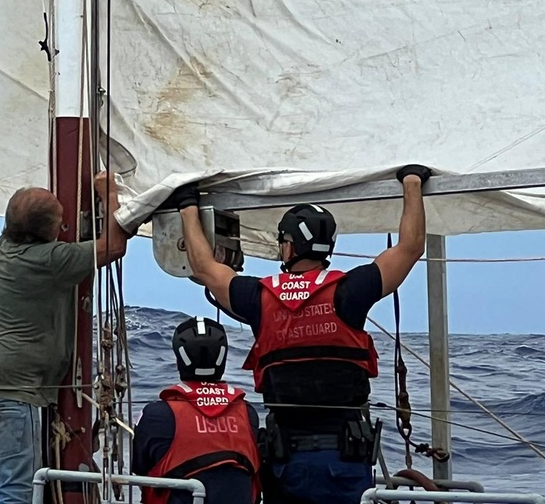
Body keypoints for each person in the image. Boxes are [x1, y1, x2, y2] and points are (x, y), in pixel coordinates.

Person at [163, 165, 431, 503]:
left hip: (286, 462)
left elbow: (205, 269)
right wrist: (411, 182)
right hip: (346, 461)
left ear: (290, 247)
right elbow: (410, 247)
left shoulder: (259, 297)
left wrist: (187, 206)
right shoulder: (352, 291)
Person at [0, 171, 131, 504]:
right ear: (53, 231)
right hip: (16, 392)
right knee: (13, 490)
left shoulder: (4, 246)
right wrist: (109, 194)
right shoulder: (50, 260)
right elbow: (113, 247)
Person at [133, 316, 261, 504]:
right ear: (223, 359)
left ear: (179, 361)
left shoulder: (157, 415)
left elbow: (140, 467)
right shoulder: (248, 414)